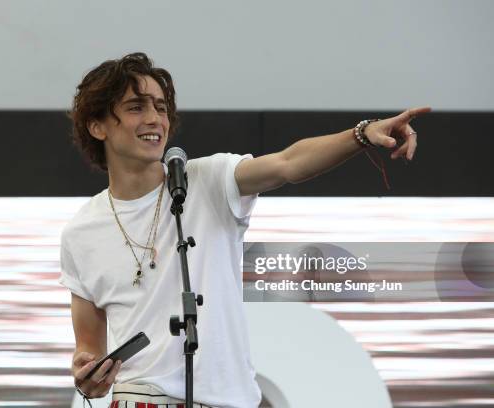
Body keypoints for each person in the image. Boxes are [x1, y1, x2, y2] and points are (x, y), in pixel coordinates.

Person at [59, 52, 430, 408]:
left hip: (228, 400)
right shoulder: (82, 232)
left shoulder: (207, 180)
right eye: (136, 107)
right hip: (139, 400)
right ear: (97, 126)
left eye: (160, 107)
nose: (155, 118)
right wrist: (88, 373)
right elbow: (88, 350)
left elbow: (288, 163)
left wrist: (362, 133)